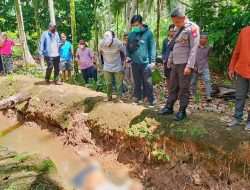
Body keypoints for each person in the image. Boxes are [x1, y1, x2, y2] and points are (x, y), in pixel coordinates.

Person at [158, 8, 200, 121]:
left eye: (176, 21)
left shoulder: (193, 28)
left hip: (185, 63)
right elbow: (174, 46)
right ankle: (169, 107)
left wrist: (189, 66)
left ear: (183, 18)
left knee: (183, 88)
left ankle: (182, 111)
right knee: (173, 86)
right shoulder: (177, 28)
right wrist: (170, 59)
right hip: (175, 63)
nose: (175, 24)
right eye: (174, 22)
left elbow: (194, 48)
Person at [126, 15, 156, 108]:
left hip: (146, 63)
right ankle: (138, 98)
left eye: (136, 25)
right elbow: (128, 48)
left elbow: (152, 48)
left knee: (148, 82)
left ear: (141, 23)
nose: (135, 27)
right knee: (137, 82)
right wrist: (127, 56)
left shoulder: (149, 34)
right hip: (135, 63)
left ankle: (151, 101)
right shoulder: (131, 34)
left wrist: (153, 61)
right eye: (133, 26)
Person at [228, 26, 250, 130]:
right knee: (240, 95)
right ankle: (237, 118)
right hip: (241, 70)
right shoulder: (244, 31)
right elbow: (237, 50)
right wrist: (231, 67)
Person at [98, 31, 124, 103]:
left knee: (118, 83)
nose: (108, 44)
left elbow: (122, 53)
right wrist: (101, 64)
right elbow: (100, 53)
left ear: (112, 38)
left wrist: (123, 63)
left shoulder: (118, 43)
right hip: (107, 66)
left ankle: (118, 97)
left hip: (117, 65)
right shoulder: (101, 43)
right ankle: (109, 96)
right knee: (108, 83)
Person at [191, 32, 212, 101]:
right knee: (194, 81)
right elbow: (191, 56)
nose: (203, 40)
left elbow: (208, 56)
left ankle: (208, 96)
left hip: (204, 66)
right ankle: (194, 94)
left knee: (208, 80)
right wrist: (193, 65)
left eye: (205, 38)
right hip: (195, 67)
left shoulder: (208, 47)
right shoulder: (195, 46)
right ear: (199, 38)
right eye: (202, 38)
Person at [162, 24, 175, 97]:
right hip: (166, 61)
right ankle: (169, 92)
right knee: (168, 77)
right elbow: (163, 51)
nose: (172, 33)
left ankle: (175, 92)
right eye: (171, 31)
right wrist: (163, 59)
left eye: (173, 31)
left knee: (175, 77)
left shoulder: (176, 40)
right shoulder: (165, 41)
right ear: (168, 31)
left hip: (175, 61)